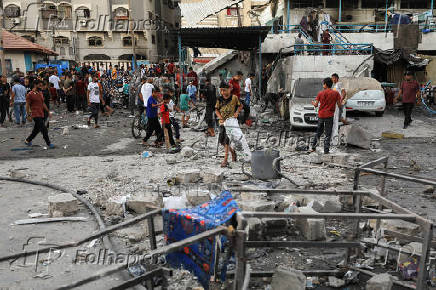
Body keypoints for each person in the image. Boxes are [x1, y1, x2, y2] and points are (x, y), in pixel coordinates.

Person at [310, 77, 342, 154]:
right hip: (329, 116)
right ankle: (326, 150)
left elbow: (316, 105)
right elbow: (339, 105)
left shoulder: (320, 93)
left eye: (323, 83)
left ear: (325, 84)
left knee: (319, 132)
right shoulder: (336, 93)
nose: (323, 85)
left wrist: (313, 103)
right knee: (328, 133)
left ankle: (313, 147)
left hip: (321, 115)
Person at [215, 83, 243, 168]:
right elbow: (216, 110)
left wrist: (237, 112)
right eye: (221, 90)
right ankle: (233, 152)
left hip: (231, 122)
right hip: (222, 123)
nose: (222, 92)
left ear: (229, 89)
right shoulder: (219, 99)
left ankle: (225, 159)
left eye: (224, 90)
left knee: (227, 140)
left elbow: (240, 105)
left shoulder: (234, 98)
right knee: (221, 141)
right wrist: (220, 118)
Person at [24, 80, 54, 148]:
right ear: (35, 85)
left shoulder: (40, 92)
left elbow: (43, 103)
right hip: (35, 114)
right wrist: (28, 115)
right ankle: (48, 143)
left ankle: (28, 140)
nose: (41, 87)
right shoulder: (30, 94)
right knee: (44, 129)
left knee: (36, 130)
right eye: (39, 85)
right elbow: (27, 105)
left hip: (41, 113)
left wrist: (48, 111)